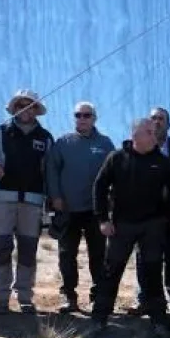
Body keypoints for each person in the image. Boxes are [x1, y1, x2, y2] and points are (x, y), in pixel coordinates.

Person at [90, 118, 170, 334]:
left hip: (153, 225)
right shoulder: (118, 158)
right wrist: (103, 219)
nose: (154, 135)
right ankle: (99, 318)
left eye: (154, 131)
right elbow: (99, 186)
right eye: (148, 131)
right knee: (111, 270)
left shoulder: (163, 162)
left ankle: (158, 321)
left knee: (153, 271)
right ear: (135, 135)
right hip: (122, 225)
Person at [0, 90, 55, 314]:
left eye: (30, 105)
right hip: (3, 200)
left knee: (28, 250)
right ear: (14, 108)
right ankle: (1, 299)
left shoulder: (45, 137)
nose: (25, 109)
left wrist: (50, 200)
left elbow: (50, 171)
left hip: (32, 202)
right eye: (20, 105)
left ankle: (25, 297)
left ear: (36, 110)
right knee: (1, 249)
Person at [46, 101, 115, 313]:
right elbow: (51, 170)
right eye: (78, 115)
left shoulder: (105, 144)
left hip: (95, 210)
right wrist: (55, 196)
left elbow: (114, 172)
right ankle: (69, 296)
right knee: (67, 254)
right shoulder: (63, 143)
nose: (82, 119)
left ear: (94, 118)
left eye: (87, 115)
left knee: (98, 255)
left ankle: (98, 297)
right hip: (68, 208)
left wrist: (110, 203)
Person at [130, 106, 170, 316]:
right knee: (144, 257)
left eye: (161, 119)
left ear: (168, 124)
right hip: (145, 216)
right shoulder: (136, 149)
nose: (156, 122)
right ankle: (144, 299)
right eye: (153, 118)